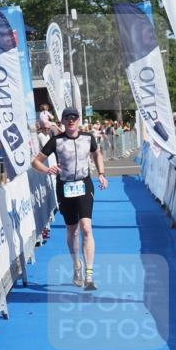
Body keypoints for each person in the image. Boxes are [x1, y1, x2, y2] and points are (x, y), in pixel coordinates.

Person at [32, 107, 108, 291]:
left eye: (74, 117)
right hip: (65, 187)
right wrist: (47, 170)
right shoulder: (56, 141)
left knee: (86, 228)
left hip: (84, 185)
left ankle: (89, 275)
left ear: (78, 120)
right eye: (68, 118)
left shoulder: (88, 138)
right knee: (72, 231)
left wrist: (101, 173)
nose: (71, 120)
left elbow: (97, 153)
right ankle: (77, 265)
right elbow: (35, 162)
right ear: (63, 121)